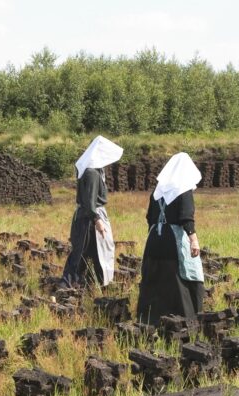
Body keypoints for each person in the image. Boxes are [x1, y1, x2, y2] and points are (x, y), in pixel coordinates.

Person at [136, 153, 205, 326]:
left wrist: (156, 235)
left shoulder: (158, 191)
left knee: (155, 277)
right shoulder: (183, 189)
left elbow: (150, 217)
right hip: (173, 239)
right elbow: (186, 217)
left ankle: (150, 318)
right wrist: (194, 240)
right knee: (181, 276)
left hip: (154, 239)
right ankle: (184, 319)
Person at [60, 136, 123, 289]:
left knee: (92, 252)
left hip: (87, 217)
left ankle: (92, 283)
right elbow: (89, 201)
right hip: (88, 219)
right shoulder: (92, 173)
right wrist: (97, 220)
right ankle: (65, 285)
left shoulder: (92, 170)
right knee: (81, 253)